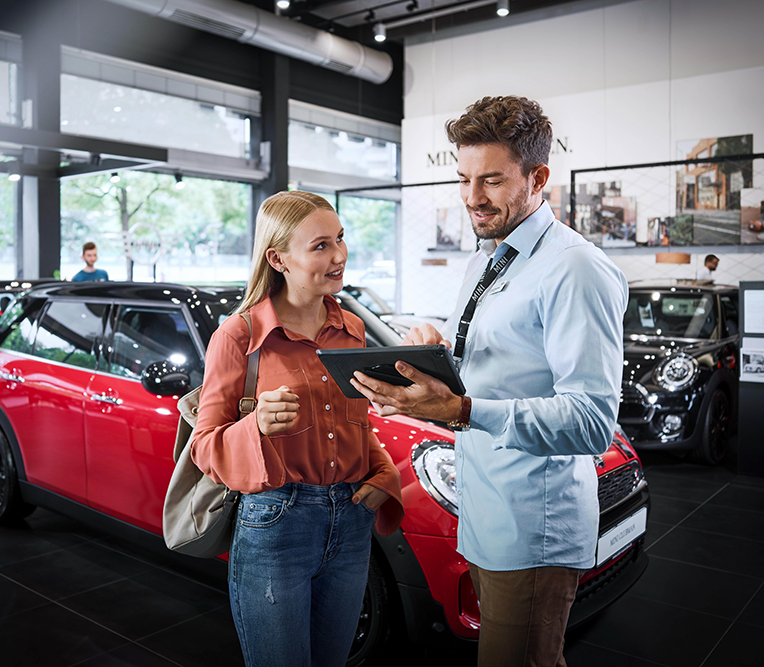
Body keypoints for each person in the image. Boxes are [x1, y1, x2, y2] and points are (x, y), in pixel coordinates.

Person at [350, 96, 627, 667]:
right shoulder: (490, 254)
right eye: (464, 178)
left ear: (538, 178)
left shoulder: (574, 268)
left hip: (531, 525)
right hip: (484, 509)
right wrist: (440, 356)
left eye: (492, 181)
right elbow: (505, 369)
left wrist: (459, 409)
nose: (472, 197)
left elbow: (591, 422)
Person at [191, 191, 403, 667]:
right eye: (321, 246)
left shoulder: (351, 329)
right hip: (276, 525)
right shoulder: (239, 335)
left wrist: (382, 474)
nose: (340, 255)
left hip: (351, 523)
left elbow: (356, 423)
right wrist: (256, 426)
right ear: (278, 259)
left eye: (340, 239)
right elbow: (204, 446)